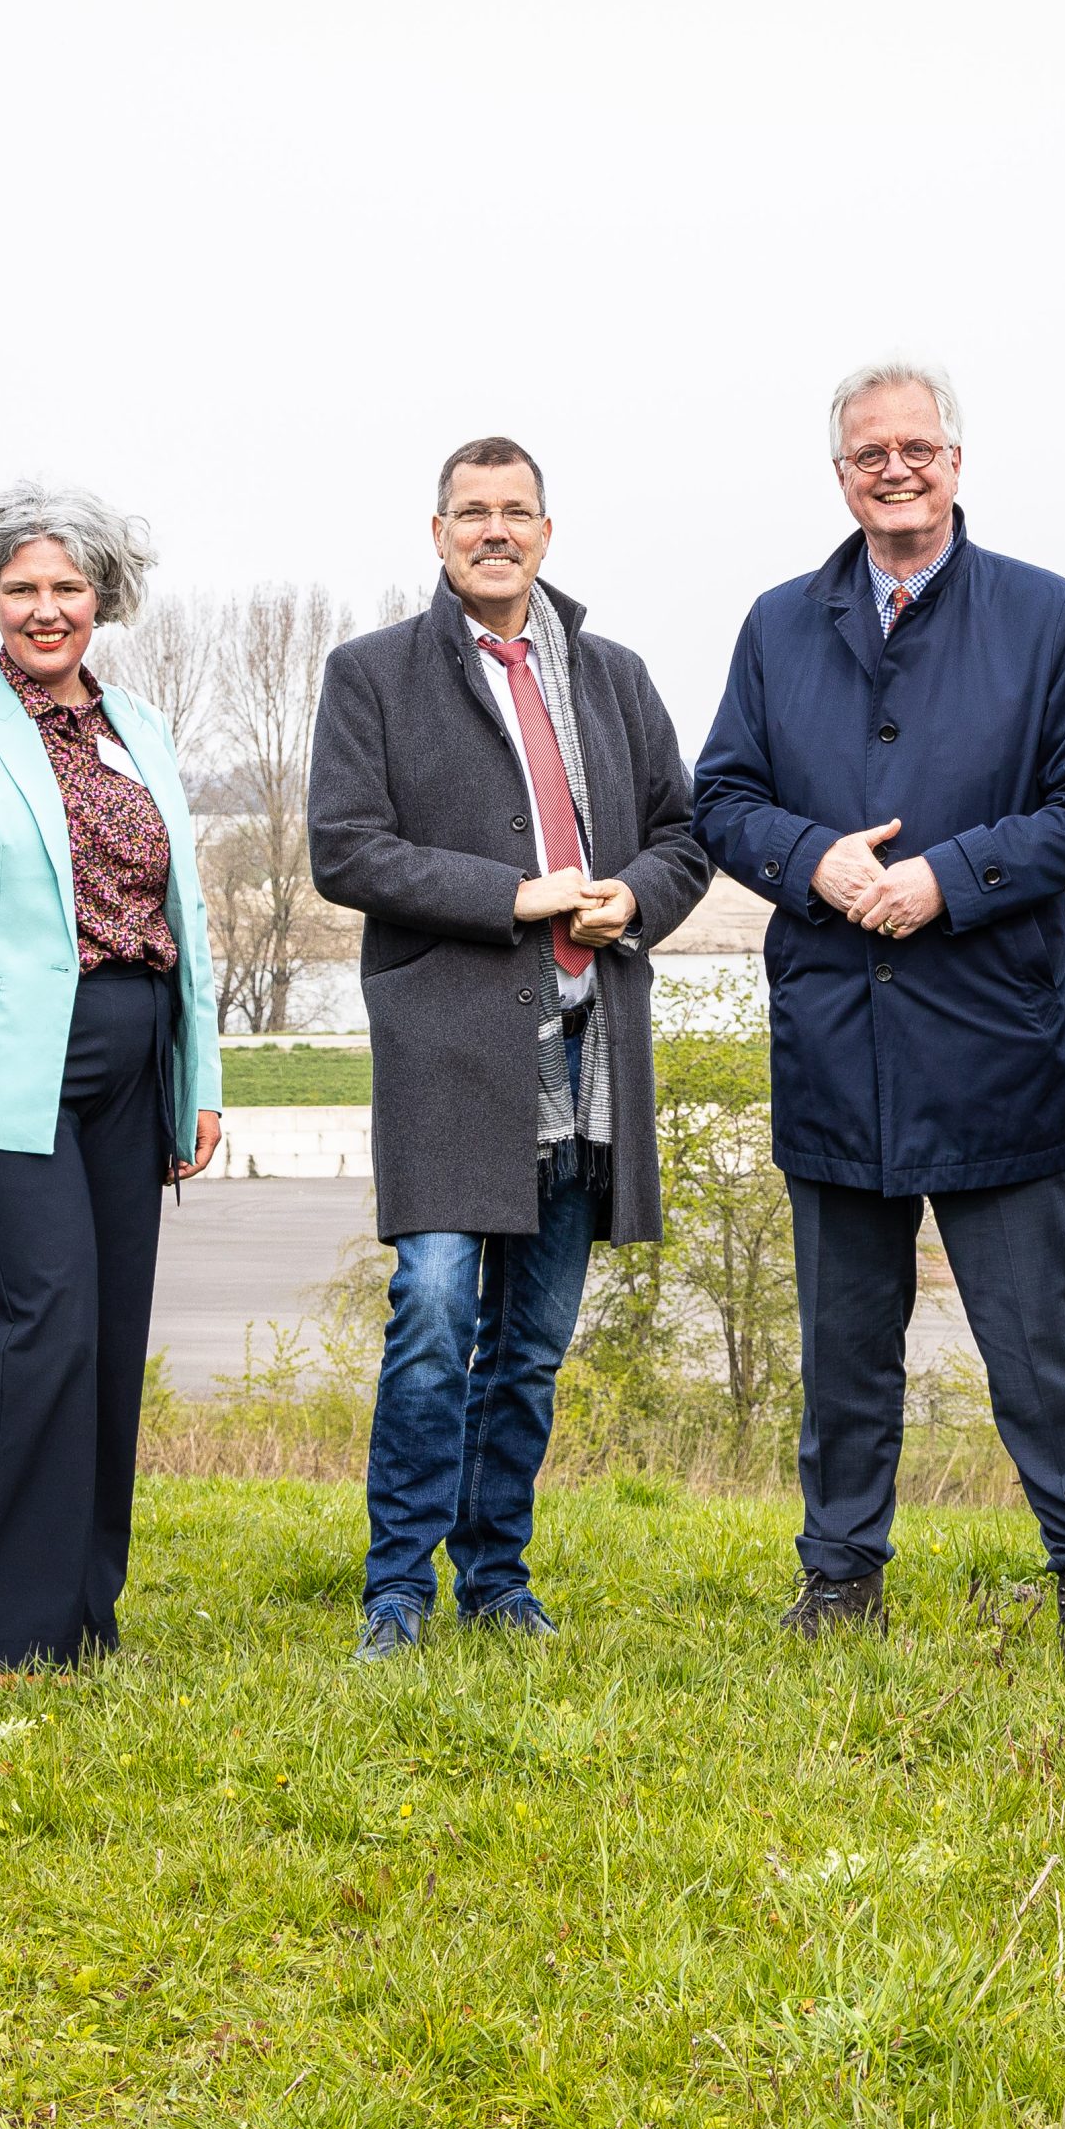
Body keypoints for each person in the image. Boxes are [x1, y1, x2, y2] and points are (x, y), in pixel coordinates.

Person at [693, 360, 1065, 1674]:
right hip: (836, 1045)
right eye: (868, 453)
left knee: (1039, 1347)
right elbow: (720, 797)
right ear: (840, 474)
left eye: (917, 448)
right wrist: (810, 861)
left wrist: (951, 877)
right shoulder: (778, 625)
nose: (894, 469)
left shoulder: (1050, 617)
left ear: (956, 460)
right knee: (843, 1348)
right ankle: (840, 1579)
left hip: (993, 1046)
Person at [308, 436, 708, 1660]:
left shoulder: (615, 675)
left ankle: (494, 1577)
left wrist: (632, 897)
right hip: (448, 1045)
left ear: (546, 531)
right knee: (433, 1307)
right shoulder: (372, 673)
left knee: (530, 1345)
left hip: (590, 1048)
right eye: (472, 511)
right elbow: (345, 848)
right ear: (437, 534)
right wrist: (514, 895)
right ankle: (396, 1589)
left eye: (516, 511)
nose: (496, 529)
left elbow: (683, 836)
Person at [0, 483, 220, 1675]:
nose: (46, 607)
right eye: (20, 587)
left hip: (136, 1051)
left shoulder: (142, 726)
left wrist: (199, 1081)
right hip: (7, 1066)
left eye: (68, 586)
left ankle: (78, 1616)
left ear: (103, 596)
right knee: (46, 1333)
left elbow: (183, 917)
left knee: (109, 1345)